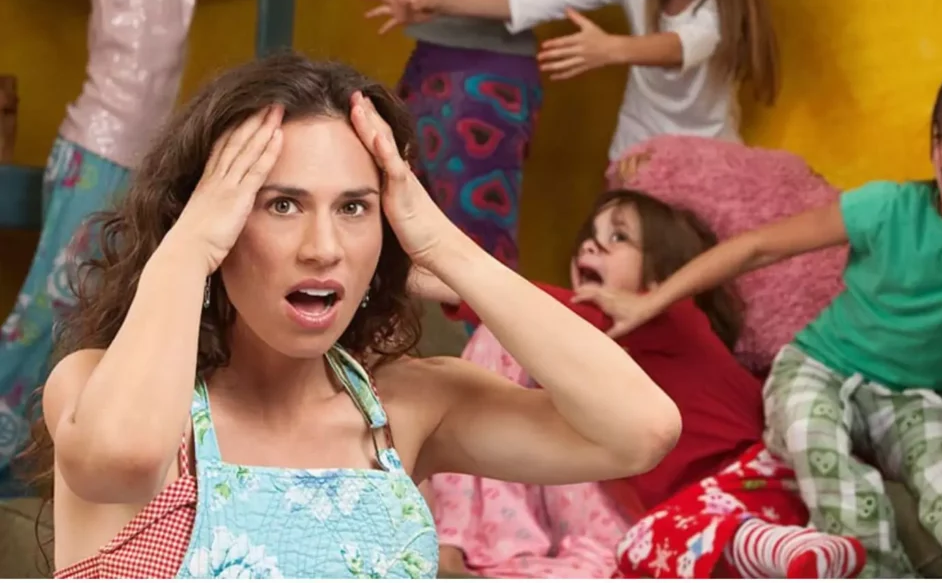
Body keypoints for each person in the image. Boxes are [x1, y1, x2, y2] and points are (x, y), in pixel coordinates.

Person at [27, 52, 680, 578]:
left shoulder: (409, 405)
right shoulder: (95, 387)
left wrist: (446, 247)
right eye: (281, 204)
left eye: (354, 207)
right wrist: (187, 248)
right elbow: (124, 458)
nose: (323, 248)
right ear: (215, 218)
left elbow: (639, 429)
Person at [575, 57, 942, 578]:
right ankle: (871, 570)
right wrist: (651, 301)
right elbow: (757, 247)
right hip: (819, 367)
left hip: (919, 399)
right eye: (941, 133)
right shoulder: (890, 207)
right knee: (813, 434)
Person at [415, 190, 865, 578]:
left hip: (749, 483)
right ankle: (787, 554)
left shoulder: (674, 318)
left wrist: (454, 284)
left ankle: (788, 547)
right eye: (589, 236)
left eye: (619, 237)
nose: (592, 243)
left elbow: (547, 312)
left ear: (660, 277)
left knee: (663, 538)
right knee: (640, 549)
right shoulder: (605, 367)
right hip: (689, 520)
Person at [0, 0, 221, 495]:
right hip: (95, 156)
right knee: (46, 317)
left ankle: (29, 465)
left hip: (137, 162)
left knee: (91, 317)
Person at [363, 0, 779, 165]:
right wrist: (433, 3)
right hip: (634, 158)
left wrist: (611, 49)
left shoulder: (724, 2)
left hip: (707, 160)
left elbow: (685, 45)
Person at [374, 0, 550, 272]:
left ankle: (492, 333)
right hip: (430, 59)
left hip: (484, 74)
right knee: (398, 231)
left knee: (477, 248)